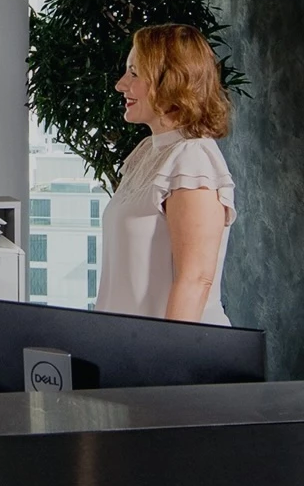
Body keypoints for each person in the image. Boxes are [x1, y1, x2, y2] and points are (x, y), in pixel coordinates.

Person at [93, 24, 237, 325]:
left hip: (175, 349)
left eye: (134, 73)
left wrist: (165, 351)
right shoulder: (147, 151)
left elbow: (195, 280)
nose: (121, 84)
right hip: (129, 344)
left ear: (171, 81)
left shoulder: (193, 159)